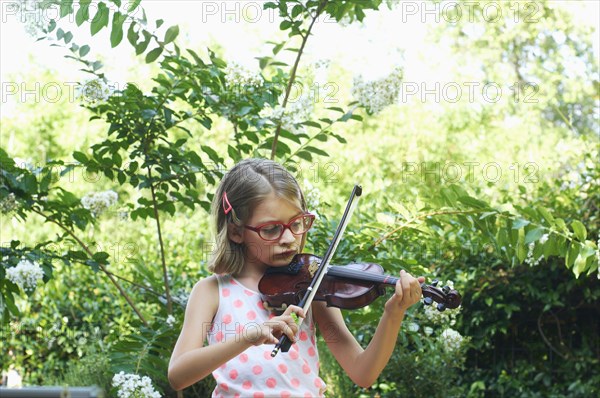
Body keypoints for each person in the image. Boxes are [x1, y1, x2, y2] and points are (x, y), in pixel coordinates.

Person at [168, 158, 425, 397]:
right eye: (271, 229)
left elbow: (362, 372)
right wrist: (249, 337)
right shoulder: (212, 291)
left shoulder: (310, 286)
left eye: (297, 223)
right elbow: (178, 375)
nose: (289, 238)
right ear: (236, 231)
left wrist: (394, 313)